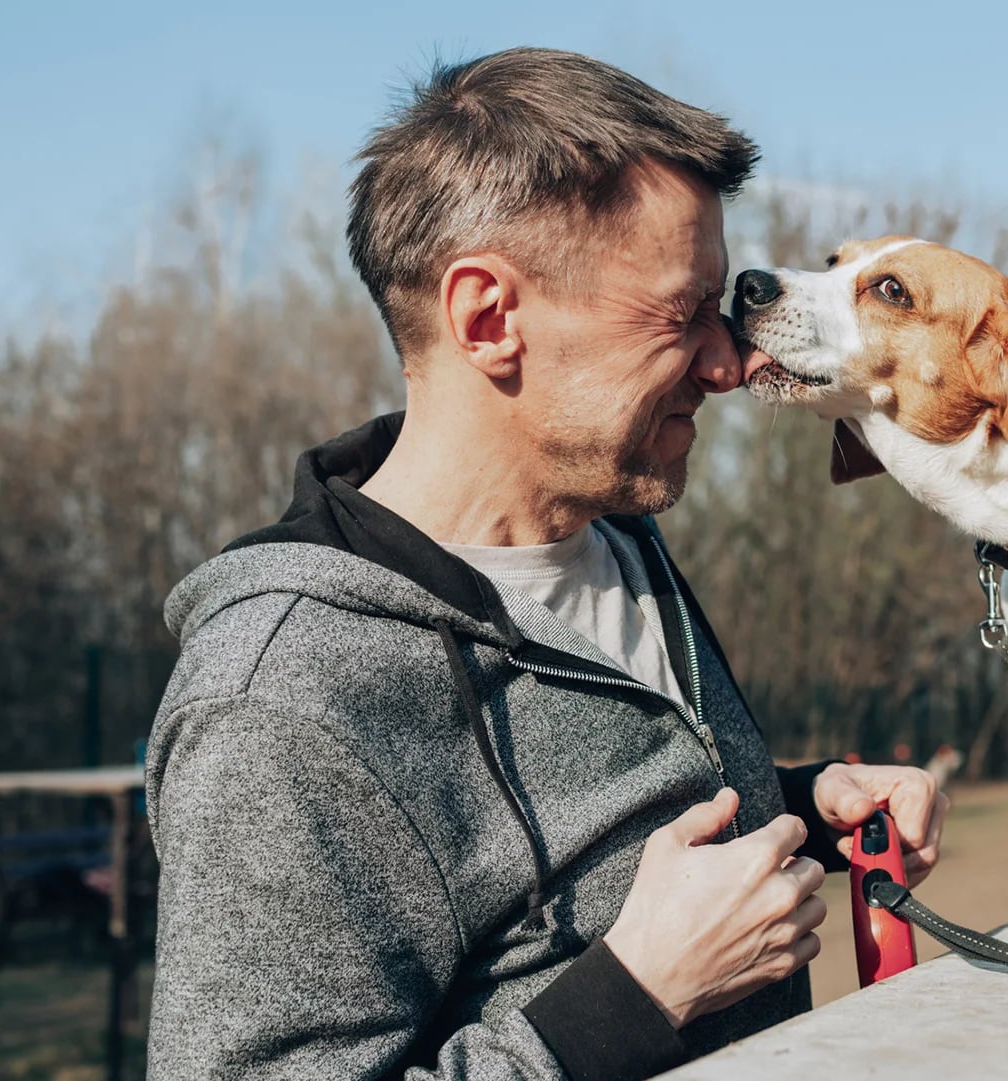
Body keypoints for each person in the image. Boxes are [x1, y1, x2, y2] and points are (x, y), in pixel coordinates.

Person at [144, 47, 948, 1081]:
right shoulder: (281, 703)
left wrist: (791, 806)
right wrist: (631, 999)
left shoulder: (616, 533)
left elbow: (573, 866)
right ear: (489, 320)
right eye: (682, 311)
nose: (731, 361)